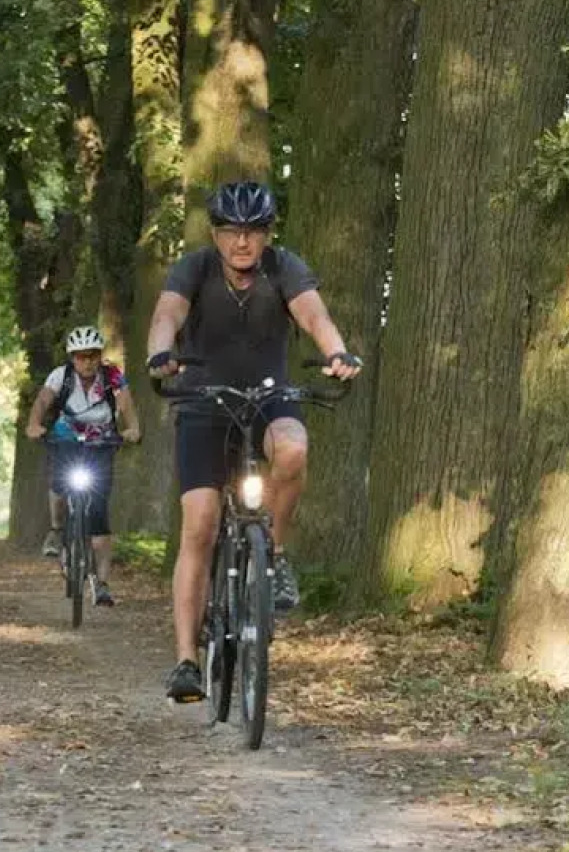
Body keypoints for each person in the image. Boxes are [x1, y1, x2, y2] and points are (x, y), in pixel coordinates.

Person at [145, 180, 362, 703]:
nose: (242, 243)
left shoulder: (283, 267)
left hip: (269, 395)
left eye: (254, 232)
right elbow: (167, 314)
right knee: (199, 522)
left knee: (293, 448)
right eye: (231, 232)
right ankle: (186, 661)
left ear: (267, 235)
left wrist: (336, 352)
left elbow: (314, 315)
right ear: (216, 233)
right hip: (203, 398)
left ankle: (275, 555)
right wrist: (160, 352)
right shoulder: (193, 268)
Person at [25, 326, 141, 606]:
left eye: (92, 356)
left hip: (102, 442)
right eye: (80, 357)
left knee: (99, 517)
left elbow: (125, 404)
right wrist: (34, 424)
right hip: (66, 437)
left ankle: (101, 584)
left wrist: (133, 428)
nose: (87, 362)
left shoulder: (112, 376)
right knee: (59, 482)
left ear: (100, 356)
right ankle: (55, 530)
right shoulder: (60, 376)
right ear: (72, 358)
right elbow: (43, 400)